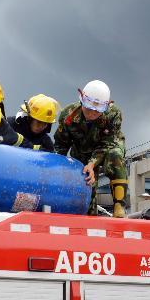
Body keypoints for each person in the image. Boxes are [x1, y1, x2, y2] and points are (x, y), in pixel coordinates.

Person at [54, 80, 128, 217]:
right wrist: (58, 169)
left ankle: (119, 206)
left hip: (109, 146)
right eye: (89, 108)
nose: (93, 113)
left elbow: (107, 144)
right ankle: (89, 215)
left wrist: (92, 163)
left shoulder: (113, 114)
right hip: (82, 150)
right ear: (82, 100)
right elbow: (61, 145)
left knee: (115, 156)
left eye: (98, 110)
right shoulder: (68, 115)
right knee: (86, 187)